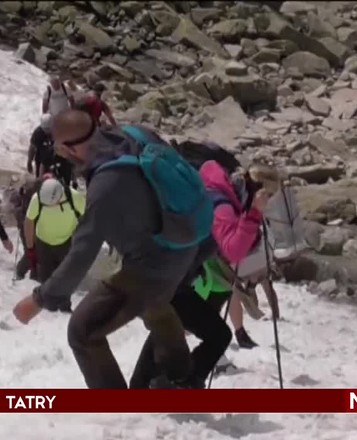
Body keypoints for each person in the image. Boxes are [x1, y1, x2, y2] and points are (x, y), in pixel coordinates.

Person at [13, 109, 215, 389]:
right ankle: (181, 376)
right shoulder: (135, 134)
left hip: (152, 264)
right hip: (188, 242)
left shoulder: (105, 185)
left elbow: (81, 253)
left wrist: (39, 299)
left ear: (67, 148)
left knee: (83, 330)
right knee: (154, 302)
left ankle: (117, 408)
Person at [129, 161, 282, 388]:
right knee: (216, 335)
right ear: (259, 192)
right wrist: (254, 214)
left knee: (171, 326)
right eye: (269, 197)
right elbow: (233, 249)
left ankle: (146, 385)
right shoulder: (222, 205)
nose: (269, 203)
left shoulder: (216, 191)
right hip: (171, 277)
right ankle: (182, 383)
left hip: (165, 271)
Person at [23, 176, 85, 313]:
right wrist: (30, 248)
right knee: (45, 278)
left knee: (65, 276)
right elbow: (29, 221)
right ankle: (47, 310)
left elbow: (89, 216)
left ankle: (65, 309)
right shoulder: (38, 198)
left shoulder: (75, 197)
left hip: (66, 241)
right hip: (43, 242)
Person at [9, 175, 44, 281]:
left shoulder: (34, 192)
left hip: (32, 223)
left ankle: (33, 274)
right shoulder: (31, 194)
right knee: (31, 251)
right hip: (26, 223)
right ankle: (20, 273)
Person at [28, 114, 76, 188]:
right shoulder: (38, 133)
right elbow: (32, 147)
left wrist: (74, 179)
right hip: (42, 159)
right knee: (41, 184)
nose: (47, 132)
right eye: (45, 130)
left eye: (49, 129)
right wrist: (29, 161)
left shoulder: (60, 132)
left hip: (59, 160)